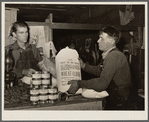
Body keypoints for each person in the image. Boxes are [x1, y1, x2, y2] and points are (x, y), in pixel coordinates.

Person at [68, 26, 132, 110]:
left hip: (119, 102)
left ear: (111, 41)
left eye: (101, 38)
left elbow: (102, 83)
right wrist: (83, 66)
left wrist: (79, 84)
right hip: (116, 97)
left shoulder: (114, 56)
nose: (98, 41)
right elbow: (100, 70)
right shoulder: (111, 54)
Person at [4, 21, 42, 103]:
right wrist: (23, 72)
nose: (25, 35)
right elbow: (5, 72)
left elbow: (42, 65)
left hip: (36, 82)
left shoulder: (33, 48)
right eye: (21, 33)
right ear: (14, 34)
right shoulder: (8, 50)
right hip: (17, 85)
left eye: (26, 32)